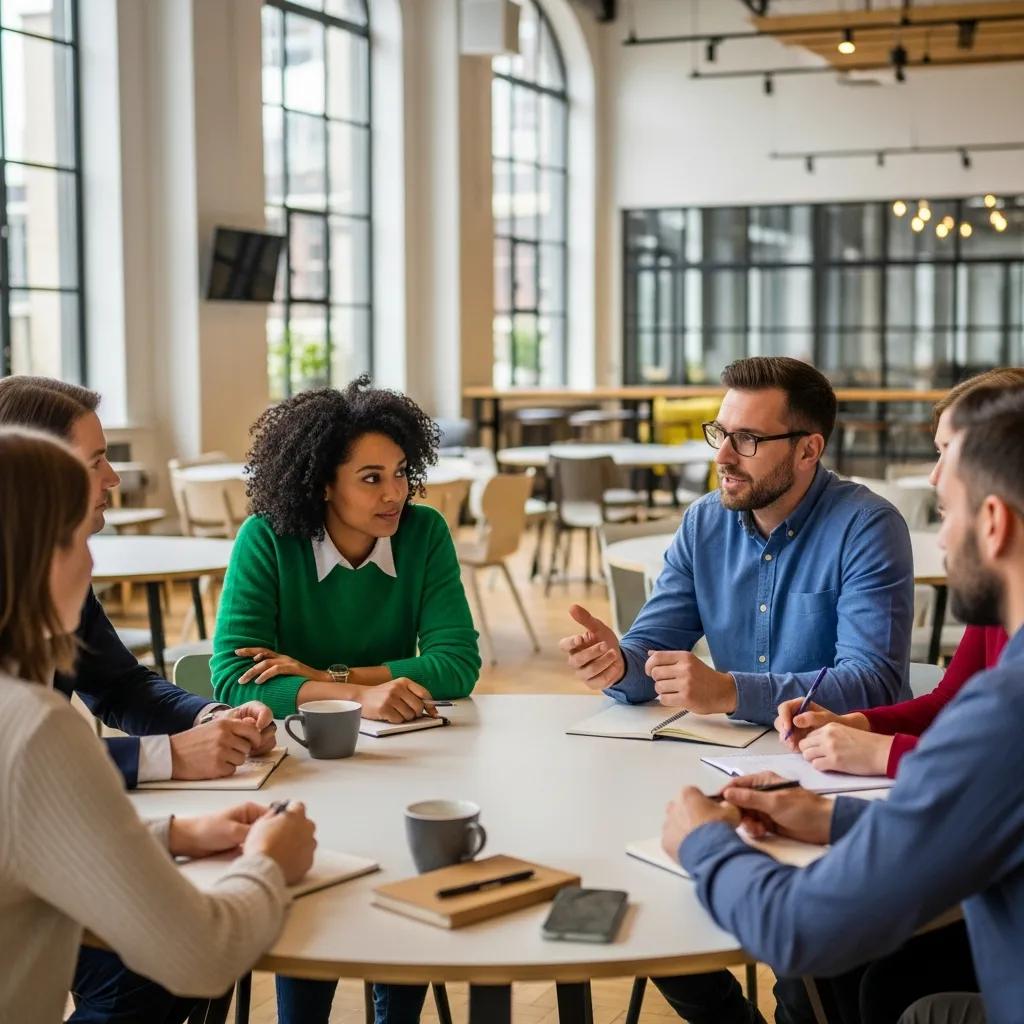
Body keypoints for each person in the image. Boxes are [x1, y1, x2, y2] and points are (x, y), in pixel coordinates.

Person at [561, 356, 915, 1024]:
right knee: (632, 889)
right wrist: (618, 666)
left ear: (808, 449)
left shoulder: (867, 526)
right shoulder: (703, 523)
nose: (723, 454)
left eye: (746, 439)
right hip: (715, 766)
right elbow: (653, 647)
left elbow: (872, 679)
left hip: (828, 777)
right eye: (718, 432)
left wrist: (728, 690)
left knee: (808, 972)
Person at [661, 385, 1024, 1024]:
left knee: (859, 972)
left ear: (994, 524)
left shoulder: (1007, 713)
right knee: (883, 986)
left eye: (946, 513)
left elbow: (802, 929)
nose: (938, 545)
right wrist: (826, 819)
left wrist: (702, 843)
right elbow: (968, 813)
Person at [0, 425, 317, 1024]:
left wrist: (172, 833)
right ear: (39, 555)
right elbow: (202, 954)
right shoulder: (32, 726)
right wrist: (270, 860)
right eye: (79, 537)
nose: (92, 557)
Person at [210, 377, 481, 1024]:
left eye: (399, 473)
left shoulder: (424, 534)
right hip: (302, 771)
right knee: (315, 919)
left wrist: (311, 673)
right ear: (323, 483)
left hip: (411, 765)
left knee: (408, 888)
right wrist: (362, 688)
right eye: (369, 478)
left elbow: (457, 665)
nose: (394, 494)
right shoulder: (266, 539)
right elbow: (232, 677)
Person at [0, 376, 279, 787]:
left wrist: (214, 719)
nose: (112, 478)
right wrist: (168, 755)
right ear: (37, 472)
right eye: (94, 461)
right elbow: (17, 763)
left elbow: (120, 687)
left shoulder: (58, 577)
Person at [775, 367, 1024, 780]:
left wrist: (885, 753)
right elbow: (951, 703)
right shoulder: (1002, 590)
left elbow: (1006, 771)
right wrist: (858, 723)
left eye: (950, 451)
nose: (934, 475)